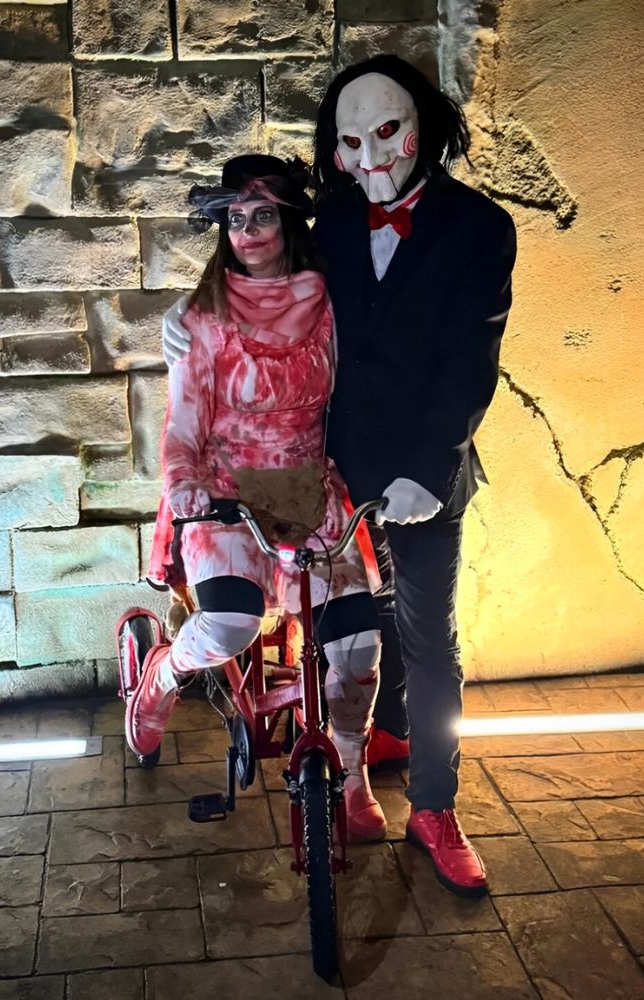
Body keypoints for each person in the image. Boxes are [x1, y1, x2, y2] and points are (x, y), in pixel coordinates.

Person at [162, 56, 517, 897]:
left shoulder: (480, 227)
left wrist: (431, 468)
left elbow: (471, 363)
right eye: (350, 141)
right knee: (360, 632)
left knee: (430, 641)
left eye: (388, 131)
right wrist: (182, 325)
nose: (372, 156)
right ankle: (364, 759)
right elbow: (260, 287)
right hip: (331, 476)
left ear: (425, 124)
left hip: (427, 473)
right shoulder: (331, 222)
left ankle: (434, 807)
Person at [121, 154, 386, 843]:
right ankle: (164, 673)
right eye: (235, 218)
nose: (248, 230)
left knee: (356, 645)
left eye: (262, 213)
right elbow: (183, 421)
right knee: (230, 626)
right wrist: (181, 484)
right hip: (225, 486)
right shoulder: (201, 317)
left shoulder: (329, 303)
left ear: (289, 219)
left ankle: (352, 775)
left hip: (305, 482)